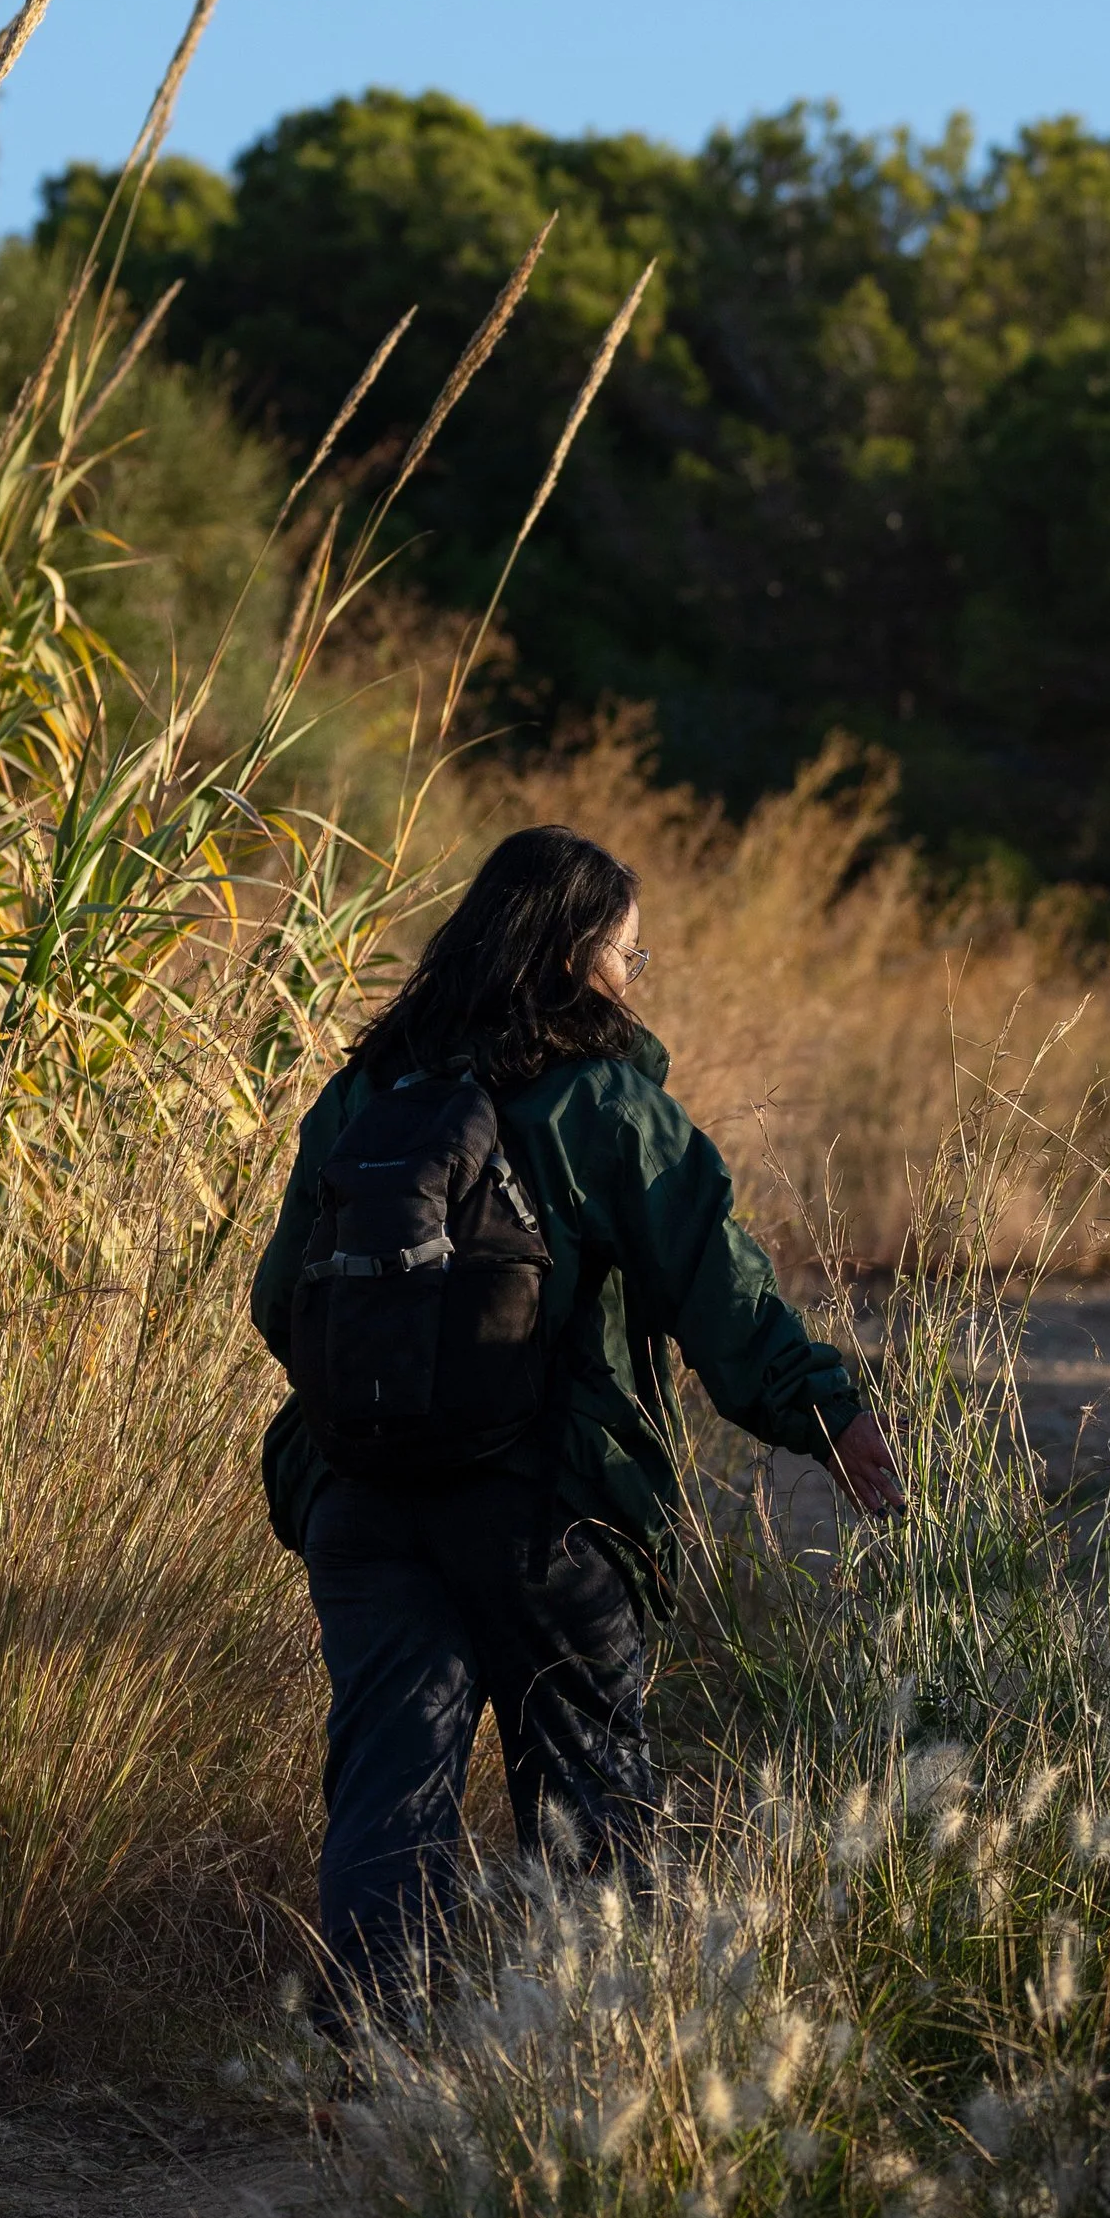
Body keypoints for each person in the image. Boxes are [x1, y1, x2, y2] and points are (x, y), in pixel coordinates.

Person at [250, 823, 907, 2016]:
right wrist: (828, 1414)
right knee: (588, 1800)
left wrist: (396, 1402)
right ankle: (583, 2063)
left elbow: (276, 1299)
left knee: (388, 1788)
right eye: (627, 954)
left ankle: (368, 2064)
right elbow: (717, 1294)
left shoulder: (362, 1094)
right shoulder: (601, 1104)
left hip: (362, 1507)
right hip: (544, 1512)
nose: (631, 976)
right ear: (572, 956)